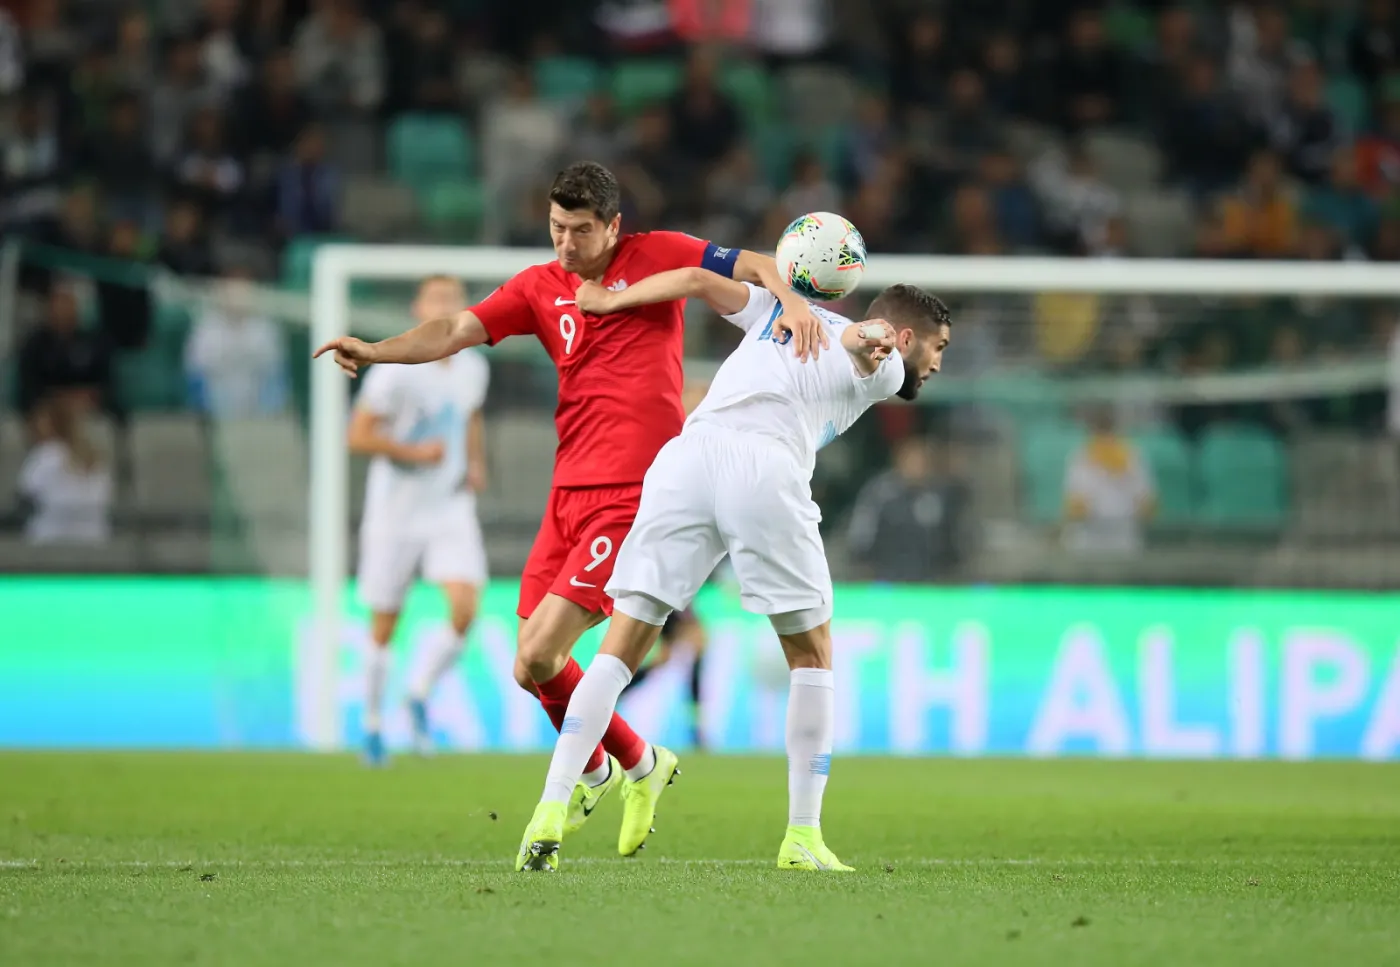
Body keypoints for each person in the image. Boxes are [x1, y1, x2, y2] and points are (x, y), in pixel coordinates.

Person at [315, 161, 823, 857]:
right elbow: (452, 330)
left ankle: (613, 769)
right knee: (530, 668)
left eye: (581, 231)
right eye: (556, 228)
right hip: (567, 492)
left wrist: (793, 303)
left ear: (613, 226)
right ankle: (634, 762)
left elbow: (759, 262)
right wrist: (375, 351)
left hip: (633, 492)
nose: (566, 245)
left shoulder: (662, 253)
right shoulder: (538, 287)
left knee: (542, 648)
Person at [513, 267, 950, 873]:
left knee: (621, 645)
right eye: (938, 346)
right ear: (908, 336)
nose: (936, 363)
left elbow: (695, 278)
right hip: (763, 466)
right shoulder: (889, 359)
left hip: (686, 460)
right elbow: (867, 342)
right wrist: (864, 336)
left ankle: (549, 809)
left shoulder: (775, 308)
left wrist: (610, 299)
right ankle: (803, 836)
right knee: (812, 656)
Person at [347, 275, 490, 765]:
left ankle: (419, 692)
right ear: (417, 308)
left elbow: (470, 416)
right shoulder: (394, 373)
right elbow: (359, 436)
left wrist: (474, 462)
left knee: (465, 608)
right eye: (436, 299)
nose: (445, 306)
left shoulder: (472, 366)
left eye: (452, 299)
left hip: (449, 506)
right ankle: (371, 725)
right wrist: (411, 451)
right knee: (385, 623)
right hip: (396, 511)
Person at [18, 391, 113, 545]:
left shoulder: (46, 454)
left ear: (54, 424)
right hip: (95, 539)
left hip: (52, 540)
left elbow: (25, 492)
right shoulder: (96, 457)